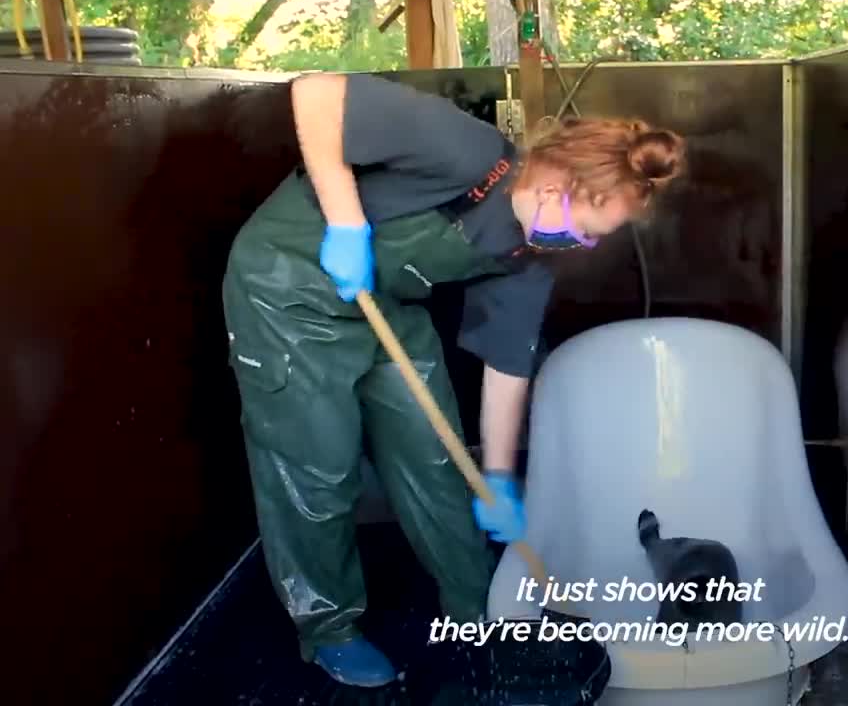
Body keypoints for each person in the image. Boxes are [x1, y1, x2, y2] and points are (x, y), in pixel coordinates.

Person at [221, 72, 686, 688]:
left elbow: (507, 367)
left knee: (438, 460)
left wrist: (496, 477)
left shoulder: (530, 259)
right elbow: (315, 92)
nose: (588, 247)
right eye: (591, 230)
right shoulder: (465, 150)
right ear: (557, 185)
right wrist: (346, 224)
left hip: (384, 303)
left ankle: (476, 612)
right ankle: (329, 628)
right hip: (291, 291)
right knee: (319, 469)